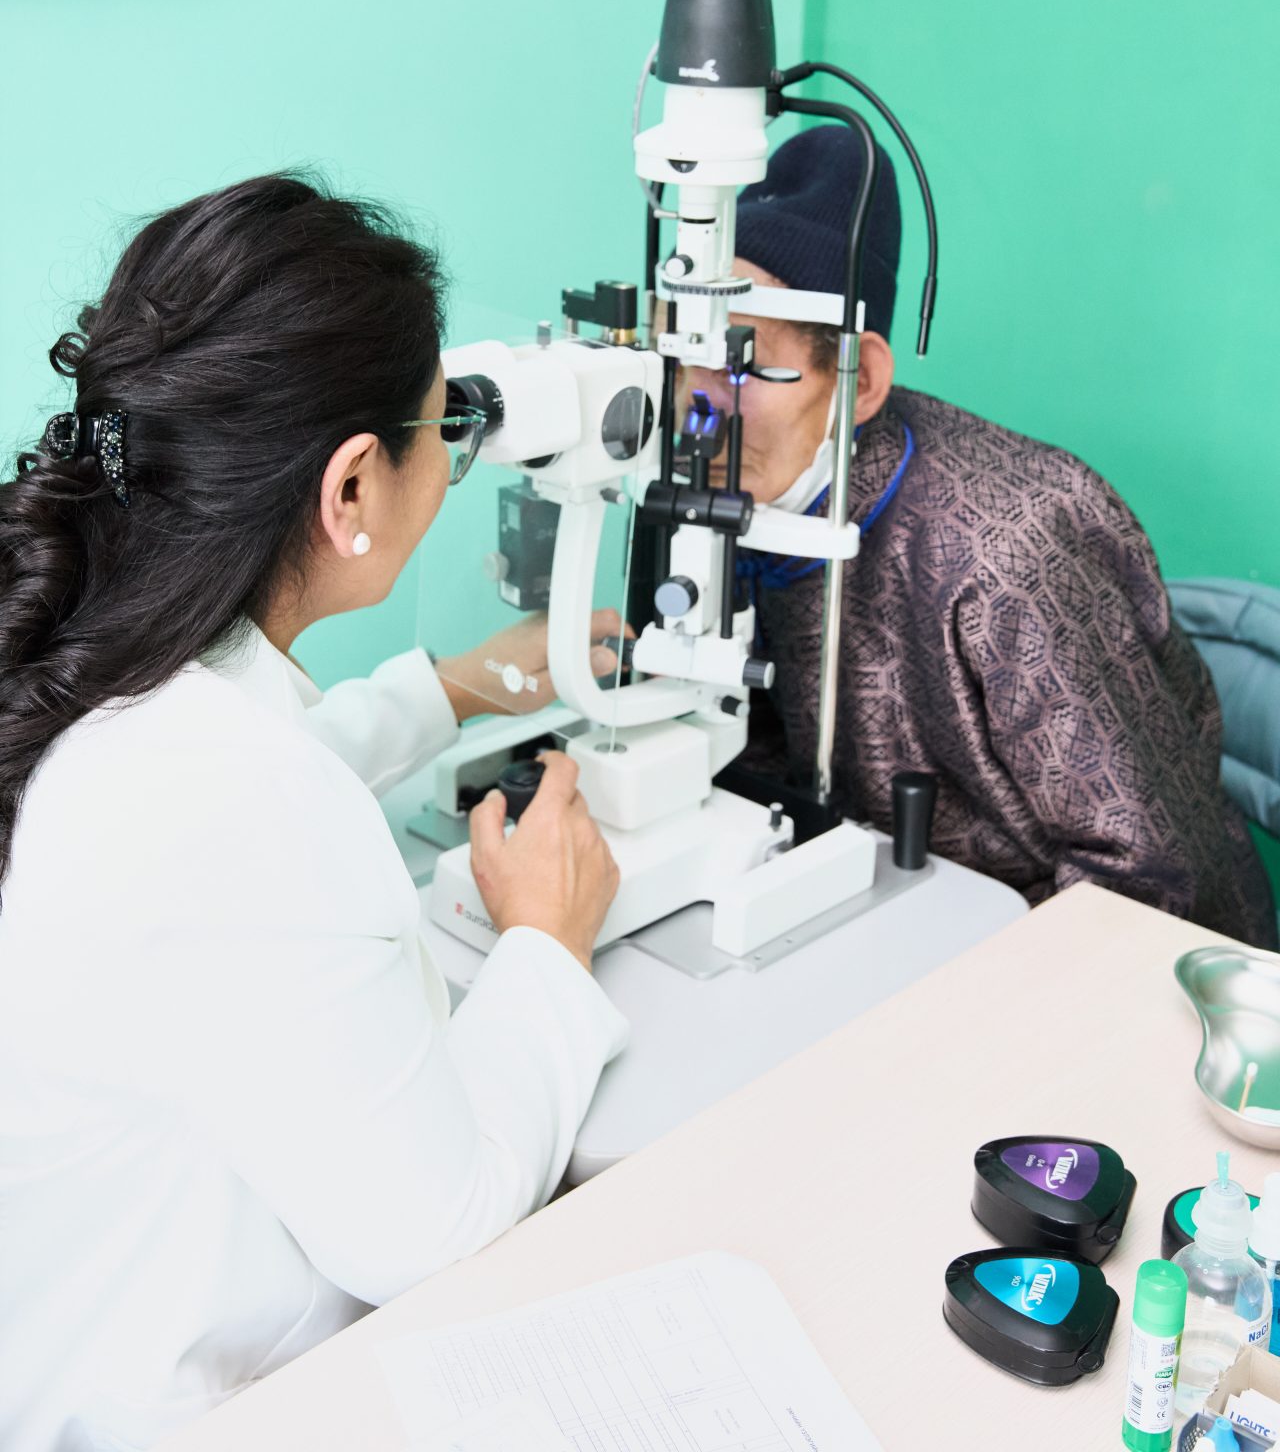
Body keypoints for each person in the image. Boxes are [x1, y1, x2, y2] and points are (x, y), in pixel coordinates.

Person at [0, 174, 628, 1451]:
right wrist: (548, 949)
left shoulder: (96, 668)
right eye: (440, 433)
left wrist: (450, 688)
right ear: (351, 491)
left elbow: (230, 800)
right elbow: (434, 1231)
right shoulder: (233, 798)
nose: (452, 464)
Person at [688, 124, 1276, 947]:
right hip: (874, 911)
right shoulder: (720, 496)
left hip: (1078, 958)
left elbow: (1149, 879)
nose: (699, 402)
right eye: (685, 353)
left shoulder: (1009, 551)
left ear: (861, 380)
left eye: (742, 359)